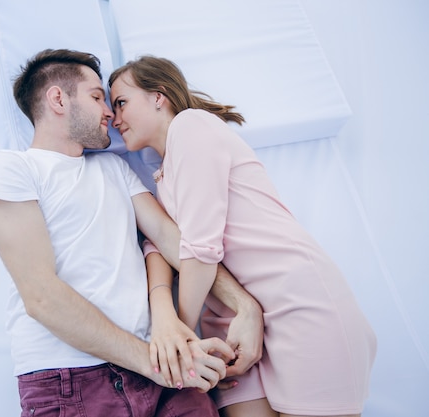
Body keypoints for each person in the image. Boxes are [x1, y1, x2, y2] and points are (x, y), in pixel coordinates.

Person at [0, 48, 264, 417]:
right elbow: (41, 297)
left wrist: (244, 305)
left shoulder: (114, 169)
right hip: (70, 380)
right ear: (58, 99)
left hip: (162, 372)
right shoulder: (12, 168)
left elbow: (172, 240)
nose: (110, 112)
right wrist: (159, 364)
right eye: (97, 97)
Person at [108, 55, 377, 417]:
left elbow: (200, 250)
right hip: (229, 324)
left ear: (159, 96)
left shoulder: (191, 126)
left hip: (296, 304)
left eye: (121, 102)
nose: (115, 118)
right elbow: (159, 244)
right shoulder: (162, 178)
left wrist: (185, 338)